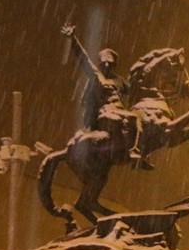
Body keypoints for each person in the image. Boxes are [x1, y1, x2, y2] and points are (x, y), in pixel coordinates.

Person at [62, 24, 149, 169]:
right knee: (133, 118)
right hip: (106, 113)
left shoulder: (119, 80)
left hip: (120, 111)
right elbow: (84, 59)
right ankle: (134, 152)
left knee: (141, 119)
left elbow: (134, 90)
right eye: (104, 63)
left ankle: (138, 151)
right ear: (101, 64)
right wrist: (73, 39)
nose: (107, 65)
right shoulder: (97, 77)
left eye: (110, 63)